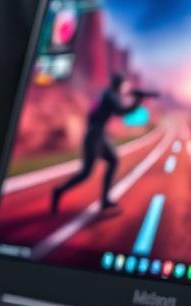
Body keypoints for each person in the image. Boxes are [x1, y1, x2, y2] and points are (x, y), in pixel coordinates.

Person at [51, 73, 142, 213]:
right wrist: (137, 101)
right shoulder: (111, 96)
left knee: (112, 161)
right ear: (118, 85)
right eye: (123, 85)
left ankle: (105, 200)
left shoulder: (105, 94)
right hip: (95, 136)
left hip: (98, 134)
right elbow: (122, 111)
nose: (124, 88)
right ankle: (59, 191)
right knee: (86, 173)